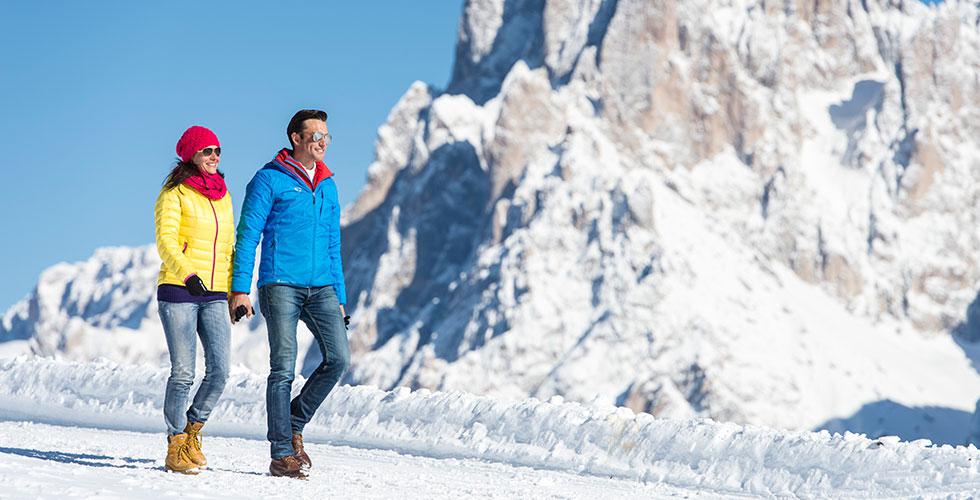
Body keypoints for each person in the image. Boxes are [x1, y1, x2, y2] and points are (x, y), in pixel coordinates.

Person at [229, 109, 350, 479]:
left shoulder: (328, 184)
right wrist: (239, 290)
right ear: (296, 138)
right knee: (283, 368)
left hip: (323, 287)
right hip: (280, 284)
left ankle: (293, 421)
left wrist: (340, 295)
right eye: (315, 135)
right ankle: (282, 453)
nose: (322, 142)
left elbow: (333, 244)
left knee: (339, 359)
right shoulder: (268, 180)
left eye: (326, 136)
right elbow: (248, 236)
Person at [154, 125, 235, 474]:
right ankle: (175, 445)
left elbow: (228, 248)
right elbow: (166, 240)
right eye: (207, 151)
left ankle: (191, 432)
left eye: (217, 150)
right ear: (192, 155)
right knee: (184, 373)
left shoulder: (223, 193)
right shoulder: (174, 193)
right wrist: (188, 274)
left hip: (215, 293)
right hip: (179, 291)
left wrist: (235, 293)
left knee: (220, 371)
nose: (214, 156)